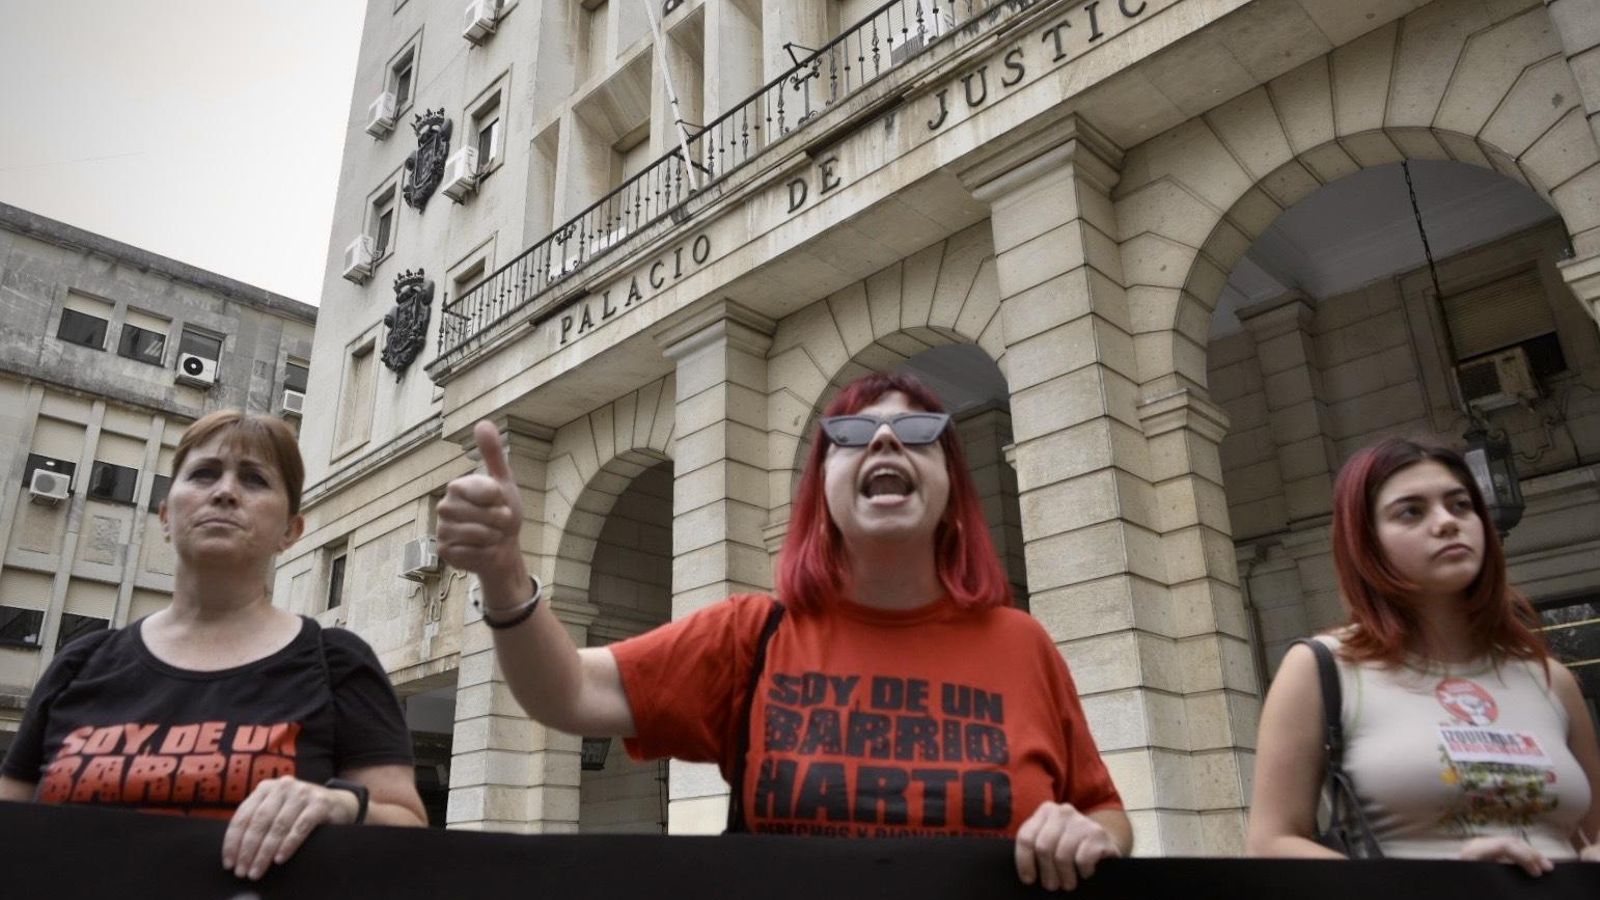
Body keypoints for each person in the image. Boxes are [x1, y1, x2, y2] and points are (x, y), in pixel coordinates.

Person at [438, 372, 1130, 891]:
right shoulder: (750, 637)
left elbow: (1105, 814)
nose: (885, 439)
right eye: (851, 436)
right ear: (821, 498)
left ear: (953, 493)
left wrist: (1087, 835)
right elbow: (567, 693)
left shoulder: (1023, 644)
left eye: (919, 432)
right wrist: (503, 573)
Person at [0, 411, 425, 881]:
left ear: (291, 531)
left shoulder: (338, 662)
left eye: (255, 479)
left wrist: (341, 803)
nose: (225, 491)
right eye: (203, 474)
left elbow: (408, 831)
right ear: (165, 515)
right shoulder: (81, 663)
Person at [1247, 438, 1600, 872]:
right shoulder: (1321, 668)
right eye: (1411, 511)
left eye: (1461, 505)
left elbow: (1594, 832)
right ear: (1365, 540)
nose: (1447, 523)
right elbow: (1271, 842)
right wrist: (1431, 883)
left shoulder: (1551, 680)